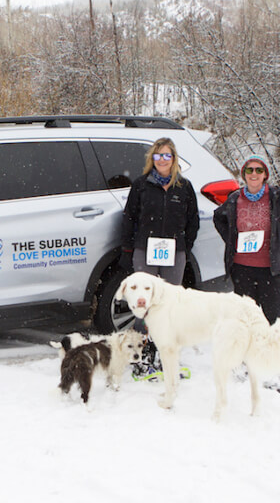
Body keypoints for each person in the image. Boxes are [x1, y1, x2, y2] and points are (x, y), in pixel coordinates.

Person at [212, 154, 280, 392]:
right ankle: (248, 362)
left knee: (274, 318)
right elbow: (218, 218)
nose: (254, 174)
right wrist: (231, 241)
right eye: (249, 170)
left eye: (258, 170)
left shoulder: (277, 197)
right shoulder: (235, 198)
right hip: (242, 268)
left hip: (272, 269)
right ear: (244, 174)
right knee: (246, 319)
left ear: (265, 174)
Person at [119, 137, 199, 379]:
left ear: (174, 159)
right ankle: (142, 359)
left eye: (167, 155)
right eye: (158, 155)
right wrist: (128, 249)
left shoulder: (184, 187)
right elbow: (129, 217)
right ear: (151, 159)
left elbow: (193, 220)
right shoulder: (141, 185)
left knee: (170, 305)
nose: (162, 160)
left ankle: (168, 358)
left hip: (175, 252)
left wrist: (185, 245)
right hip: (146, 249)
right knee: (144, 306)